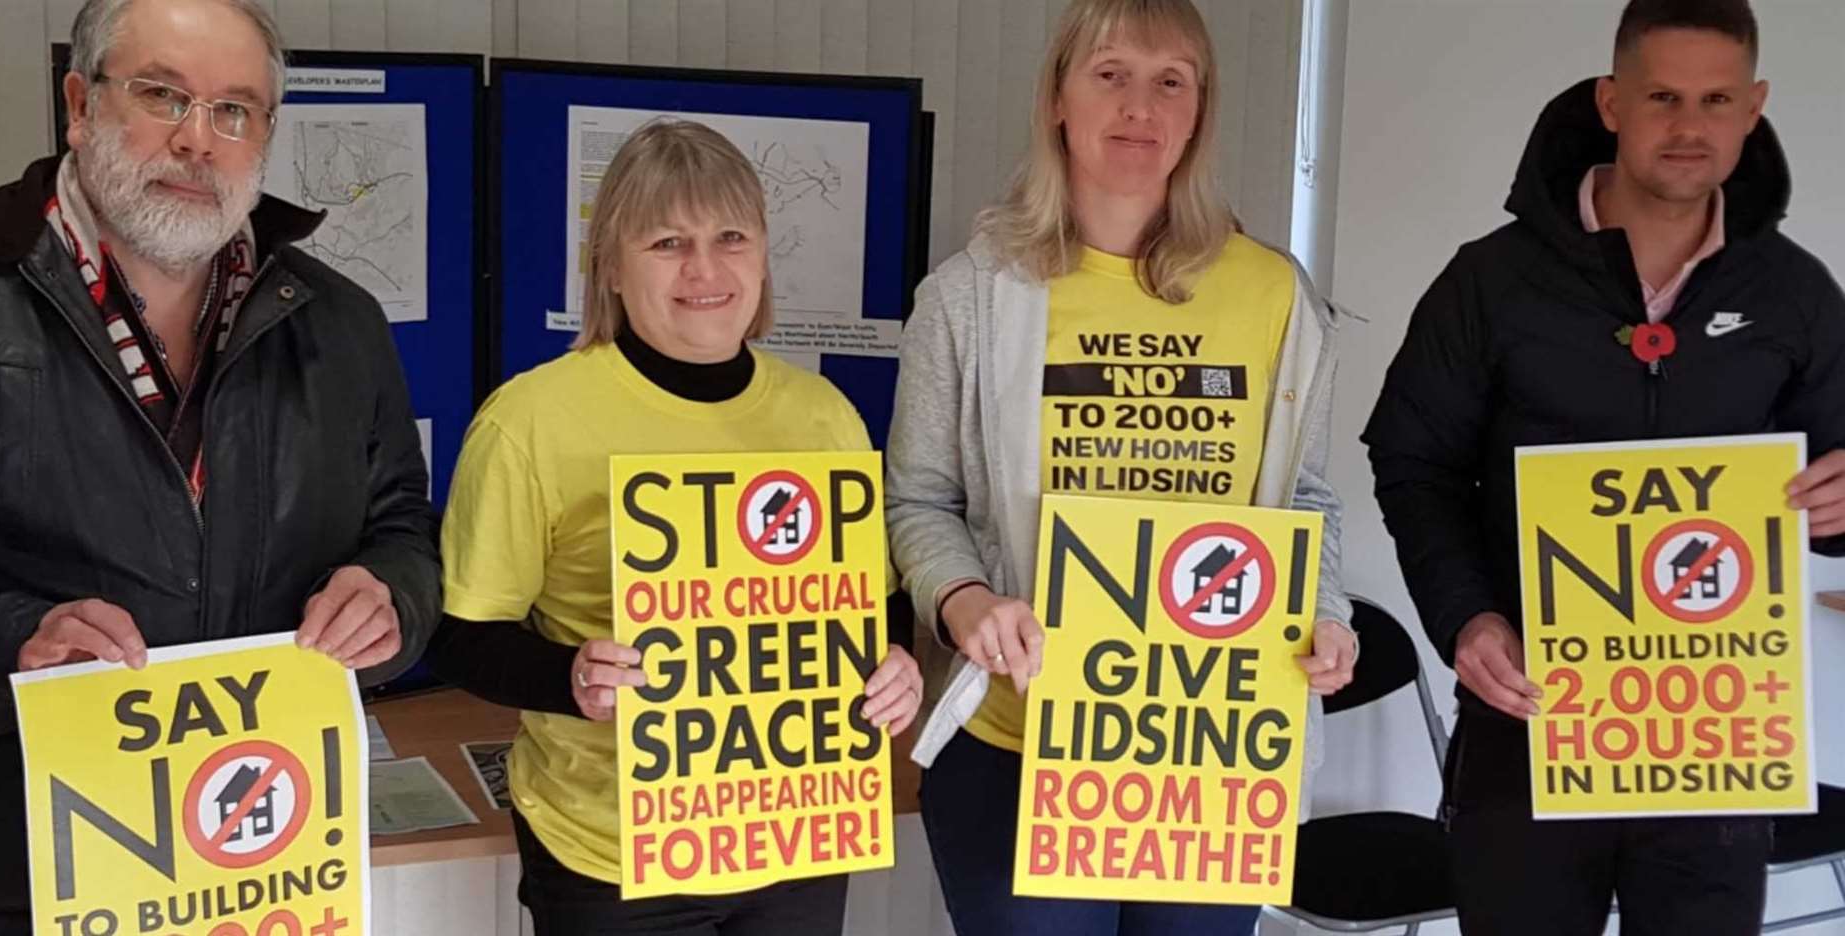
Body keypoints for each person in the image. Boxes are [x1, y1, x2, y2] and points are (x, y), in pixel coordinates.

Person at [0, 0, 440, 930]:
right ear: (80, 104)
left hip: (267, 868)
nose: (200, 141)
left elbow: (403, 522)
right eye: (164, 95)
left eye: (235, 110)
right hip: (10, 869)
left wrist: (391, 595)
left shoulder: (341, 323)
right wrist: (11, 643)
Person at [1364, 1, 1845, 932]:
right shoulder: (1490, 281)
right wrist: (1466, 619)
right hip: (1526, 724)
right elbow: (1412, 463)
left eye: (1715, 99)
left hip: (1715, 748)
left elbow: (1834, 475)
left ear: (1755, 107)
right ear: (1612, 101)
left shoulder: (1794, 295)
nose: (1688, 125)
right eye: (1662, 95)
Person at [886, 0, 1357, 932]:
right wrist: (965, 602)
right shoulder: (970, 296)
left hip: (1209, 763)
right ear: (1058, 98)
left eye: (1170, 80)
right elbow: (918, 500)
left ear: (1198, 110)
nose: (1140, 105)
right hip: (1017, 749)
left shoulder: (1275, 296)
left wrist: (1327, 611)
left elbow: (1302, 499)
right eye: (1110, 74)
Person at [427, 120, 922, 936]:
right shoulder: (531, 421)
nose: (705, 269)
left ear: (763, 254)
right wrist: (570, 678)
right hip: (610, 852)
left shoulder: (822, 417)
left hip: (797, 834)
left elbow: (872, 603)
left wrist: (895, 660)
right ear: (612, 267)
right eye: (667, 242)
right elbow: (460, 632)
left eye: (732, 237)